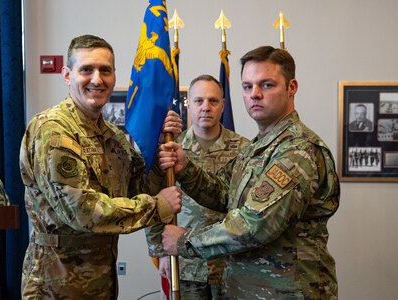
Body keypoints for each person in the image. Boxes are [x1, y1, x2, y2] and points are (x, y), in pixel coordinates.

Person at [158, 46, 340, 299]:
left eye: (266, 85)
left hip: (288, 291)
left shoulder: (297, 151)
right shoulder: (257, 148)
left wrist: (185, 241)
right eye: (247, 86)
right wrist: (186, 170)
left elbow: (254, 224)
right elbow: (225, 196)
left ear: (291, 87)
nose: (254, 94)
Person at [20, 34, 183, 299]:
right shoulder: (53, 131)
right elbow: (82, 211)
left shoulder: (113, 137)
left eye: (105, 70)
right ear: (66, 75)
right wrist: (158, 207)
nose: (97, 79)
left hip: (101, 283)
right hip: (56, 286)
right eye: (86, 69)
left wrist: (159, 153)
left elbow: (137, 187)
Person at [145, 75, 249, 299]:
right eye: (199, 101)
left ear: (223, 105)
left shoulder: (245, 149)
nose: (206, 107)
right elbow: (155, 199)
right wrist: (160, 251)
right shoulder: (173, 148)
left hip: (230, 262)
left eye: (213, 101)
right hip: (186, 263)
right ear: (188, 105)